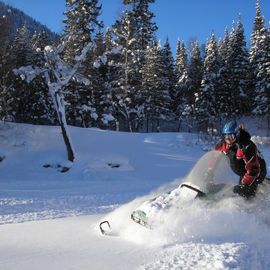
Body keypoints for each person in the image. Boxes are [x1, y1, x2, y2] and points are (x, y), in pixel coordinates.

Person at [214, 120, 266, 198]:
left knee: (244, 194)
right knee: (238, 191)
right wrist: (209, 173)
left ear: (237, 134)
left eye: (231, 137)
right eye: (226, 137)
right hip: (244, 172)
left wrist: (244, 185)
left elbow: (254, 169)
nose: (228, 140)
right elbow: (214, 158)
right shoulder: (224, 145)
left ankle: (251, 207)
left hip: (257, 171)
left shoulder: (247, 147)